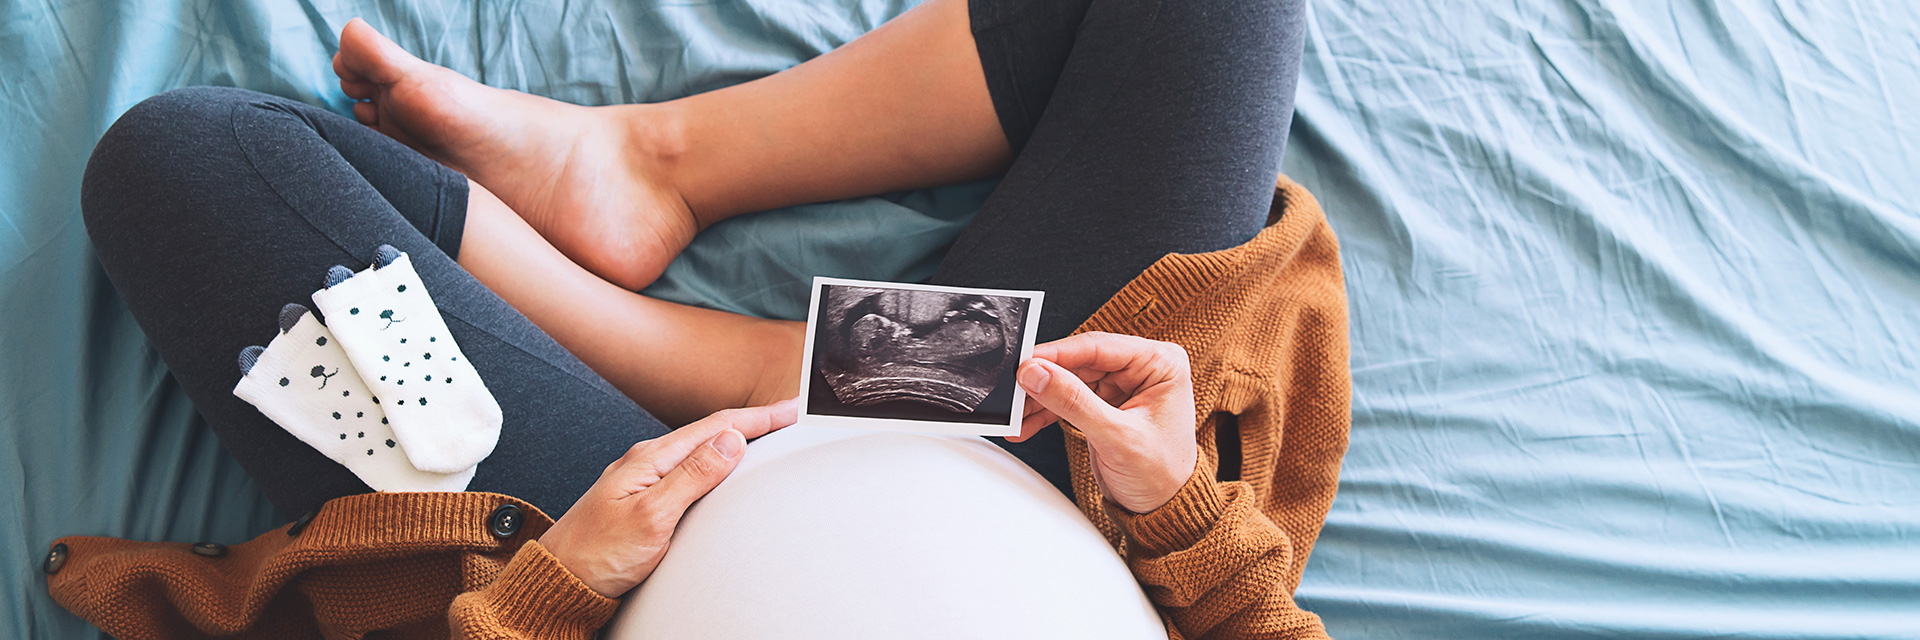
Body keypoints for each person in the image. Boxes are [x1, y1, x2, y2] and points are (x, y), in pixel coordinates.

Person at [48, 0, 1350, 637]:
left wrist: (554, 597)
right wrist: (1181, 510)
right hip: (1053, 474)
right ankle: (659, 170)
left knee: (185, 166)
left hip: (604, 558)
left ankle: (682, 346)